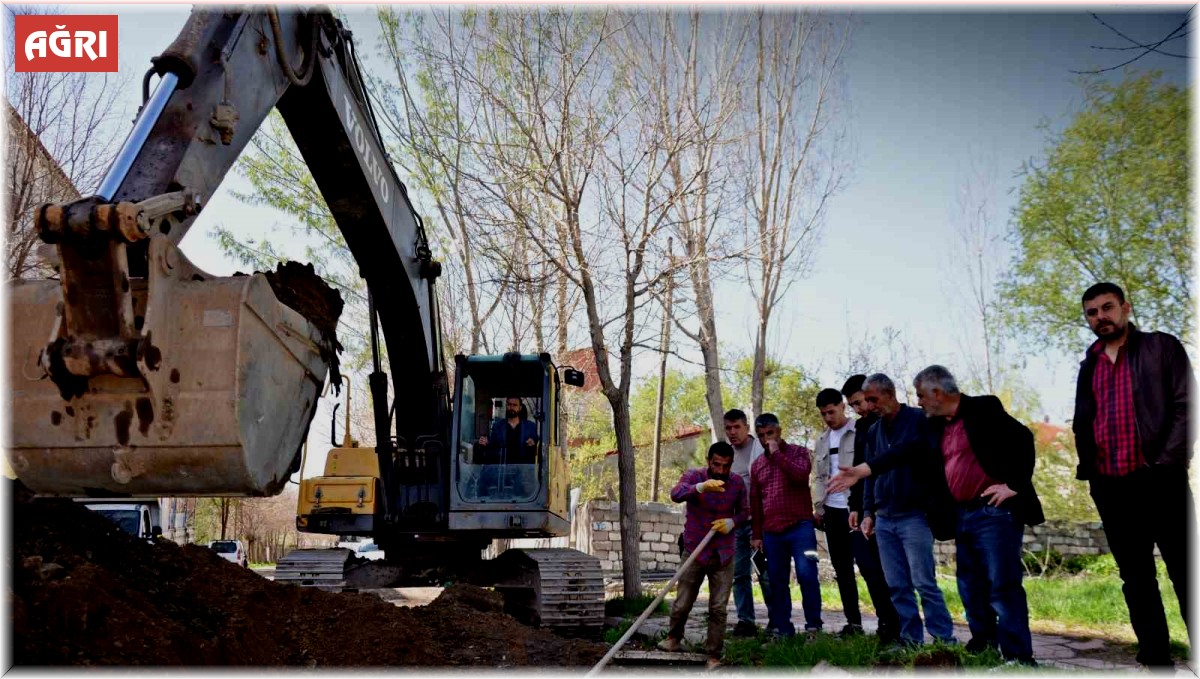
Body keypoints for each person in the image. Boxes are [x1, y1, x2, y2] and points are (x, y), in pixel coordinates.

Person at [831, 366, 1042, 664]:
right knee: (969, 585)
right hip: (963, 514)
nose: (918, 402)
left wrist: (1015, 485)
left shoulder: (983, 407)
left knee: (1001, 586)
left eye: (920, 395)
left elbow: (1023, 438)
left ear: (937, 393)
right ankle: (983, 645)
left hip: (994, 513)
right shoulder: (934, 425)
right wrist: (863, 470)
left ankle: (1019, 658)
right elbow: (905, 450)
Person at [1073, 282, 1194, 668]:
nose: (1100, 317)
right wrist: (1093, 476)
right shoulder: (1088, 364)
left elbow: (1186, 406)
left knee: (1187, 570)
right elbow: (1082, 424)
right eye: (1092, 312)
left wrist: (1166, 464)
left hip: (1160, 480)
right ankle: (1156, 658)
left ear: (1125, 308)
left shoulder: (1161, 347)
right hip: (1112, 487)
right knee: (1136, 580)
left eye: (1107, 308)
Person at [856, 374, 955, 647]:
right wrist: (867, 512)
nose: (870, 405)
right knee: (897, 587)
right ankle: (911, 640)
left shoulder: (918, 420)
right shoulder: (873, 431)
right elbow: (870, 474)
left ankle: (944, 639)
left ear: (890, 394)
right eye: (867, 401)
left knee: (924, 582)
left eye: (874, 399)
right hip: (884, 519)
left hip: (915, 516)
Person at [658, 442, 748, 671]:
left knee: (718, 607)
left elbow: (745, 512)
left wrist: (732, 522)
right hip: (695, 550)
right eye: (716, 464)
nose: (720, 470)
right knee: (682, 602)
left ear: (731, 465)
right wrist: (700, 487)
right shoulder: (694, 476)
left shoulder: (737, 483)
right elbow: (675, 494)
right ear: (709, 461)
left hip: (724, 554)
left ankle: (714, 656)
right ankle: (674, 638)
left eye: (725, 466)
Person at [749, 413, 822, 639]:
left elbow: (801, 476)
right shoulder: (757, 465)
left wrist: (778, 455)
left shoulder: (799, 453)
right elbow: (755, 502)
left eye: (769, 433)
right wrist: (757, 534)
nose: (765, 439)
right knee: (777, 582)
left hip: (800, 526)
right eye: (761, 435)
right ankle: (783, 629)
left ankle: (813, 628)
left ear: (779, 431)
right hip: (772, 532)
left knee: (807, 576)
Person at [840, 374, 901, 644]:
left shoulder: (895, 421)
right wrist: (856, 506)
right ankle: (885, 621)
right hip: (865, 507)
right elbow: (858, 468)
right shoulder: (863, 428)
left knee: (894, 572)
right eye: (853, 405)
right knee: (868, 567)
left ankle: (902, 627)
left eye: (860, 402)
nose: (859, 409)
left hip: (893, 506)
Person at [812, 388, 865, 637]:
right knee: (842, 569)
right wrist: (818, 507)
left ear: (842, 406)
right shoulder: (821, 440)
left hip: (857, 508)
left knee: (869, 567)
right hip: (832, 511)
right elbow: (818, 477)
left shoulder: (859, 432)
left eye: (831, 411)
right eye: (823, 414)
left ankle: (890, 622)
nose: (828, 418)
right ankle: (853, 623)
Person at [724, 408, 774, 637]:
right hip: (736, 525)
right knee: (739, 575)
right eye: (728, 428)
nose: (732, 432)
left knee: (766, 573)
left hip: (760, 522)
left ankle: (777, 619)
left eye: (737, 427)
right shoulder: (727, 456)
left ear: (746, 427)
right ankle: (746, 621)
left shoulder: (760, 450)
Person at [478, 397, 539, 463]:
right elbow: (492, 446)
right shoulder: (498, 426)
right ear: (506, 406)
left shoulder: (530, 427)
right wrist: (485, 443)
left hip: (523, 468)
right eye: (509, 404)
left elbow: (537, 448)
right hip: (503, 468)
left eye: (515, 405)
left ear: (520, 408)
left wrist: (533, 444)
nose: (511, 407)